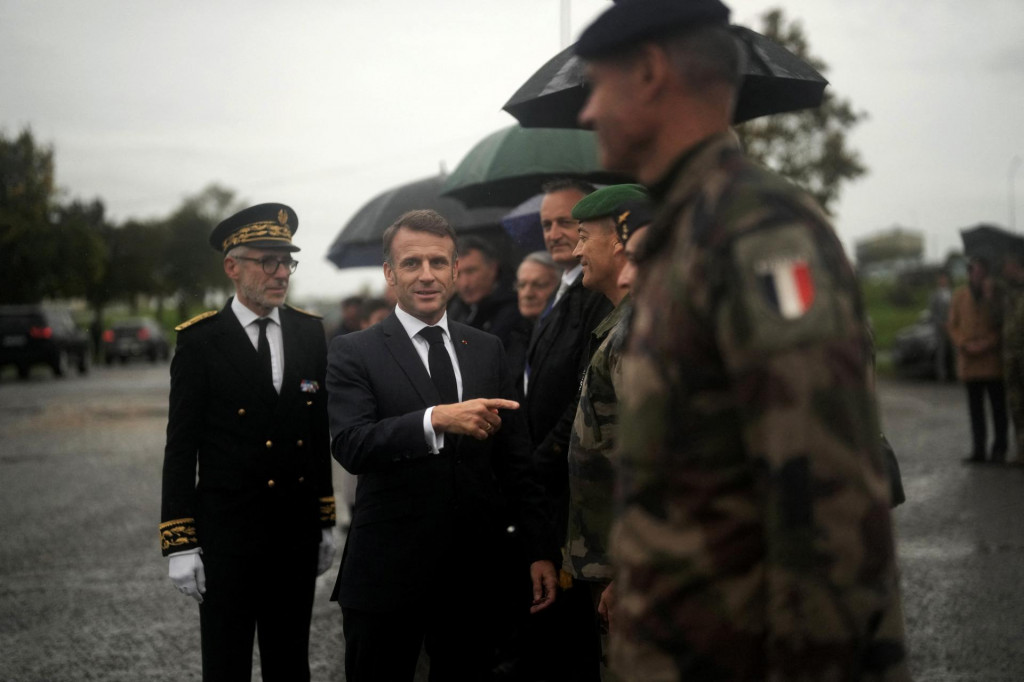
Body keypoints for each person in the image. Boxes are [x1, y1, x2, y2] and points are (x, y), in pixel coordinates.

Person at [574, 1, 909, 679]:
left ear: (649, 72)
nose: (586, 113)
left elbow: (826, 503)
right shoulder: (689, 231)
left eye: (595, 86)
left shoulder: (760, 232)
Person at [325, 209, 558, 681]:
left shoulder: (486, 348)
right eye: (411, 263)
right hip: (386, 576)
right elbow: (351, 444)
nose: (426, 275)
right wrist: (435, 419)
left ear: (455, 270)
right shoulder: (355, 350)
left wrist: (538, 549)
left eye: (438, 262)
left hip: (473, 577)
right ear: (390, 274)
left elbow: (517, 462)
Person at [159, 203, 336, 681]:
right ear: (232, 267)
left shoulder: (308, 332)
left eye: (287, 262)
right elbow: (181, 447)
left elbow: (315, 436)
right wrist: (179, 542)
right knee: (225, 664)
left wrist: (325, 521)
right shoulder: (201, 341)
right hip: (227, 537)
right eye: (268, 261)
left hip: (293, 534)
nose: (281, 274)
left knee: (290, 664)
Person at [512, 178, 613, 680]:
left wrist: (538, 459)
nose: (554, 232)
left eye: (566, 222)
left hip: (568, 484)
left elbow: (583, 394)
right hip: (548, 491)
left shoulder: (597, 296)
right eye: (546, 223)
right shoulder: (562, 292)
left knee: (577, 643)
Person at [560, 184, 654, 680]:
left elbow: (652, 458)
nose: (575, 251)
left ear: (620, 238)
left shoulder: (637, 330)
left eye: (582, 236)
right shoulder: (619, 324)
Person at [949, 256, 1008, 463]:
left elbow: (1003, 323)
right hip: (969, 362)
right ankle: (978, 450)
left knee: (998, 408)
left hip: (991, 362)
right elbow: (953, 325)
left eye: (980, 270)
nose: (976, 274)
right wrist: (963, 344)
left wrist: (987, 344)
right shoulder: (959, 295)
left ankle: (999, 449)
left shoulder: (995, 295)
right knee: (975, 411)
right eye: (973, 270)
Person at [447, 235, 522, 347]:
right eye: (458, 274)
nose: (464, 283)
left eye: (471, 271)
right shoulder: (454, 308)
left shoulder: (516, 309)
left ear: (492, 268)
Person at [506, 250, 561, 381]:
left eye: (539, 285)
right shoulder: (511, 334)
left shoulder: (565, 336)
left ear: (559, 288)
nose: (528, 294)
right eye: (522, 285)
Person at [929, 271, 954, 380]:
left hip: (952, 326)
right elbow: (933, 312)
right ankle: (941, 375)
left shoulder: (952, 293)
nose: (943, 281)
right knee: (941, 352)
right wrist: (941, 323)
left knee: (955, 350)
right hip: (940, 327)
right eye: (941, 279)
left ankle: (956, 373)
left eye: (945, 278)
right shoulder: (934, 295)